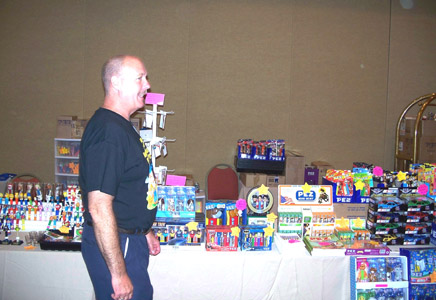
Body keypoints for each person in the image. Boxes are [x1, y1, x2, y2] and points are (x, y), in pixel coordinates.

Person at [79, 55, 161, 300]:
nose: (147, 85)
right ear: (116, 82)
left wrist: (144, 229)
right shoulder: (109, 133)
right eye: (140, 78)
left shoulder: (121, 126)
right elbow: (99, 206)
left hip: (129, 238)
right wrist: (118, 272)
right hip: (118, 243)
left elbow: (128, 186)